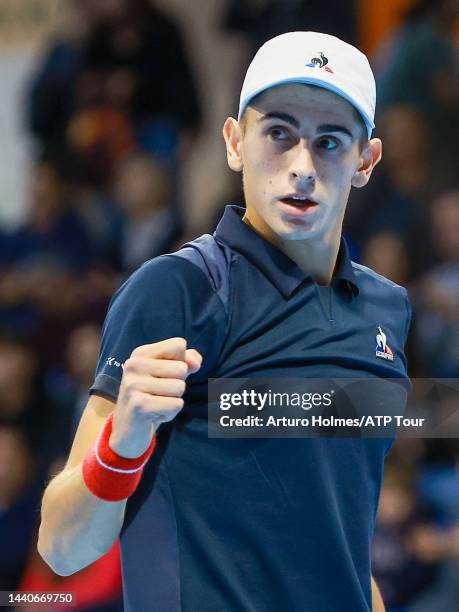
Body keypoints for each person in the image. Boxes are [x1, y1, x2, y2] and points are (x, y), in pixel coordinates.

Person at [38, 32, 412, 611]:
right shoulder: (175, 290)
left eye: (330, 142)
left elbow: (340, 540)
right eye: (278, 133)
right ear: (235, 142)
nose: (302, 167)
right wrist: (124, 441)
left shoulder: (387, 310)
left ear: (366, 161)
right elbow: (63, 547)